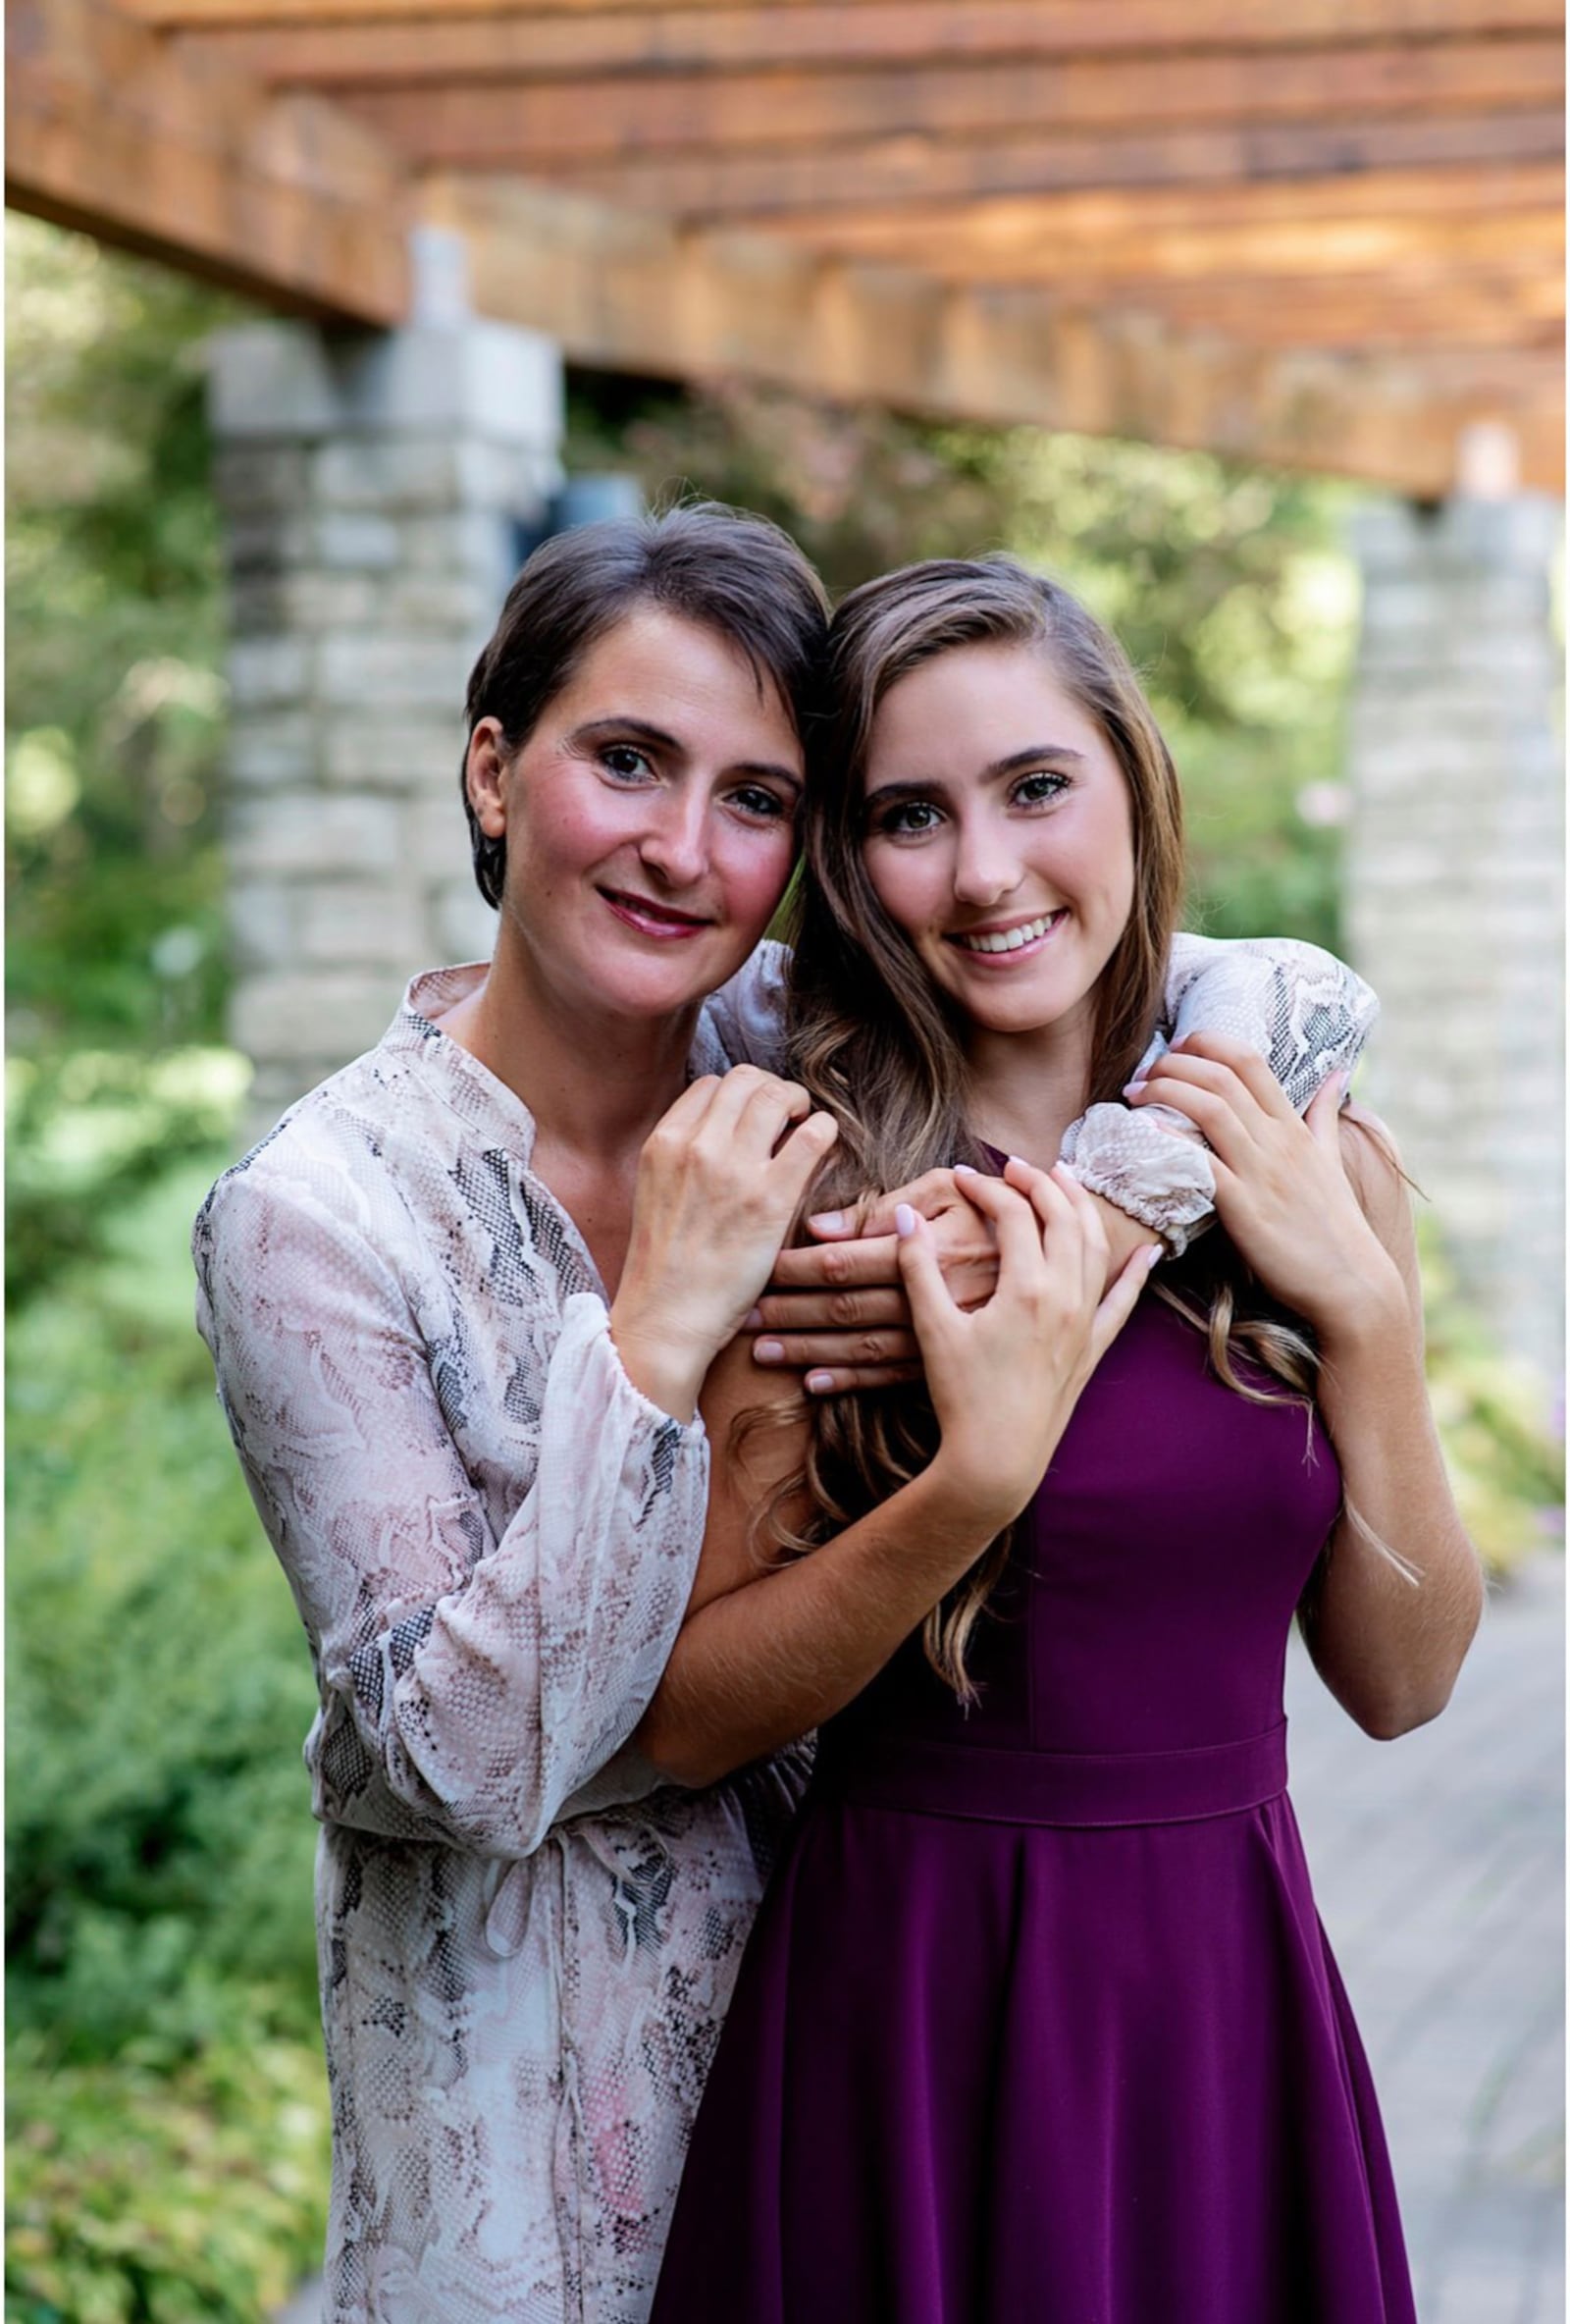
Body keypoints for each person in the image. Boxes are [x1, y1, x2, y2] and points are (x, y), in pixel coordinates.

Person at [193, 505, 1382, 2324]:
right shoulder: (321, 1219)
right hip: (548, 2107)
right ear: (494, 772)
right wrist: (664, 1329)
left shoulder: (794, 1055)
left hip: (897, 2004)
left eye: (756, 798)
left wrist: (1119, 1219)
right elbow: (461, 1766)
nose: (685, 847)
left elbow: (1271, 987)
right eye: (629, 762)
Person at [646, 557, 1484, 2324]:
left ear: (1134, 785)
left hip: (1223, 1995)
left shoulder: (1309, 1158)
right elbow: (692, 1710)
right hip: (909, 2001)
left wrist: (1373, 1324)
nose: (986, 873)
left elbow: (1403, 1686)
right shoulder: (816, 1191)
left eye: (1036, 787)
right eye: (908, 816)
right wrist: (975, 1478)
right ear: (851, 866)